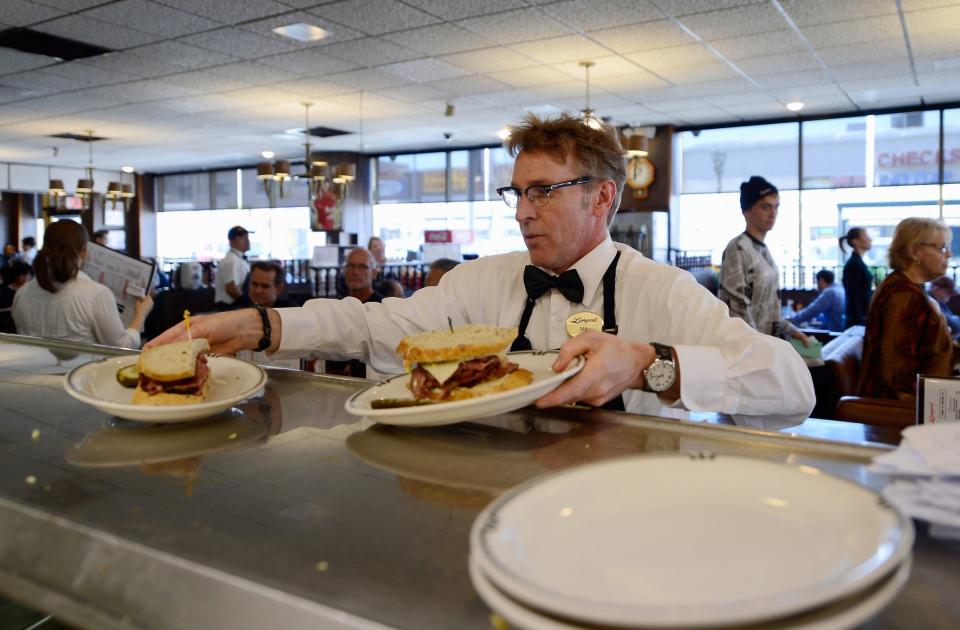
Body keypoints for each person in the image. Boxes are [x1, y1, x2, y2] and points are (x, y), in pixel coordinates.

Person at [149, 113, 814, 424]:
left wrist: (650, 364)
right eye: (517, 193)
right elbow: (371, 325)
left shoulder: (660, 289)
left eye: (544, 191)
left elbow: (790, 386)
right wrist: (261, 324)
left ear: (602, 197)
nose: (523, 212)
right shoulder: (480, 282)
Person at [12, 220, 153, 347]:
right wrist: (140, 315)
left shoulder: (22, 293)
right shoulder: (96, 294)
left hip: (31, 374)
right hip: (79, 375)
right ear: (85, 252)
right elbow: (121, 346)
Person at [858, 218, 954, 400]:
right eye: (941, 247)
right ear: (914, 251)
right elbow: (897, 375)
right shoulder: (903, 295)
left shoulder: (904, 287)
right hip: (898, 411)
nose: (948, 254)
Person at [718, 176, 810, 347]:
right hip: (747, 350)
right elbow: (737, 311)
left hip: (765, 346)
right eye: (765, 207)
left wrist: (794, 331)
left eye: (776, 207)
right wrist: (762, 348)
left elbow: (770, 311)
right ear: (747, 210)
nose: (773, 213)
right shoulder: (737, 249)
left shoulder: (763, 250)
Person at [325, 248, 385, 378]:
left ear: (374, 272)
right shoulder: (337, 307)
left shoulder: (382, 308)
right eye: (350, 266)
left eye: (363, 267)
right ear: (344, 271)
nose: (356, 272)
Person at [839, 227, 873, 327]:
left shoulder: (857, 262)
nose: (870, 239)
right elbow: (853, 296)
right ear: (856, 242)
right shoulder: (854, 264)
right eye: (866, 236)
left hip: (860, 318)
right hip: (857, 320)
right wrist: (860, 321)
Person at [214, 226, 251, 310]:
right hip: (230, 308)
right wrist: (247, 302)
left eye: (247, 237)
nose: (247, 241)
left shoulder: (237, 258)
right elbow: (231, 288)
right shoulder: (232, 260)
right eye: (242, 238)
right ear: (232, 241)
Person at [1, 260, 32, 333]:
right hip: (7, 325)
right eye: (22, 275)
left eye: (28, 274)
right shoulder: (4, 290)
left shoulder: (31, 290)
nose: (26, 277)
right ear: (15, 275)